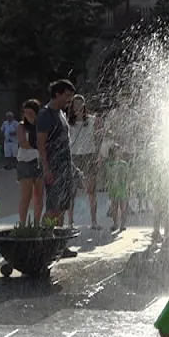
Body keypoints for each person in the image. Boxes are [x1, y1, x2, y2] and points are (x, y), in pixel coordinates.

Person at [37, 80, 77, 235]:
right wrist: (46, 169)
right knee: (53, 207)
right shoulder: (45, 114)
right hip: (53, 167)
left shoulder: (61, 112)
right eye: (67, 96)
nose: (69, 100)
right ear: (57, 94)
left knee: (62, 207)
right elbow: (41, 145)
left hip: (65, 166)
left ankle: (58, 243)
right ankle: (43, 238)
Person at [68, 95, 101, 230]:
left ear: (84, 105)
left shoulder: (92, 121)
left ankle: (94, 221)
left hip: (89, 155)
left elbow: (98, 137)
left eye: (80, 104)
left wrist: (98, 155)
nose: (78, 107)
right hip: (74, 156)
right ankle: (70, 222)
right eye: (75, 105)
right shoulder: (69, 122)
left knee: (92, 190)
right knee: (72, 191)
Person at [16, 100, 44, 226]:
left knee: (39, 196)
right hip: (25, 162)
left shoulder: (42, 126)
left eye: (30, 112)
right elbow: (23, 143)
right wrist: (40, 146)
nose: (27, 114)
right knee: (26, 196)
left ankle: (37, 224)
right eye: (25, 112)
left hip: (39, 161)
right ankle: (22, 224)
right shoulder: (21, 126)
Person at [105, 148, 130, 232]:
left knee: (121, 207)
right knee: (116, 206)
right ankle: (116, 224)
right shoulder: (109, 164)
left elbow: (127, 176)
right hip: (115, 188)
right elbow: (107, 177)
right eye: (117, 151)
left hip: (121, 187)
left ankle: (121, 224)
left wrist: (128, 186)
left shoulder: (123, 164)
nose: (119, 152)